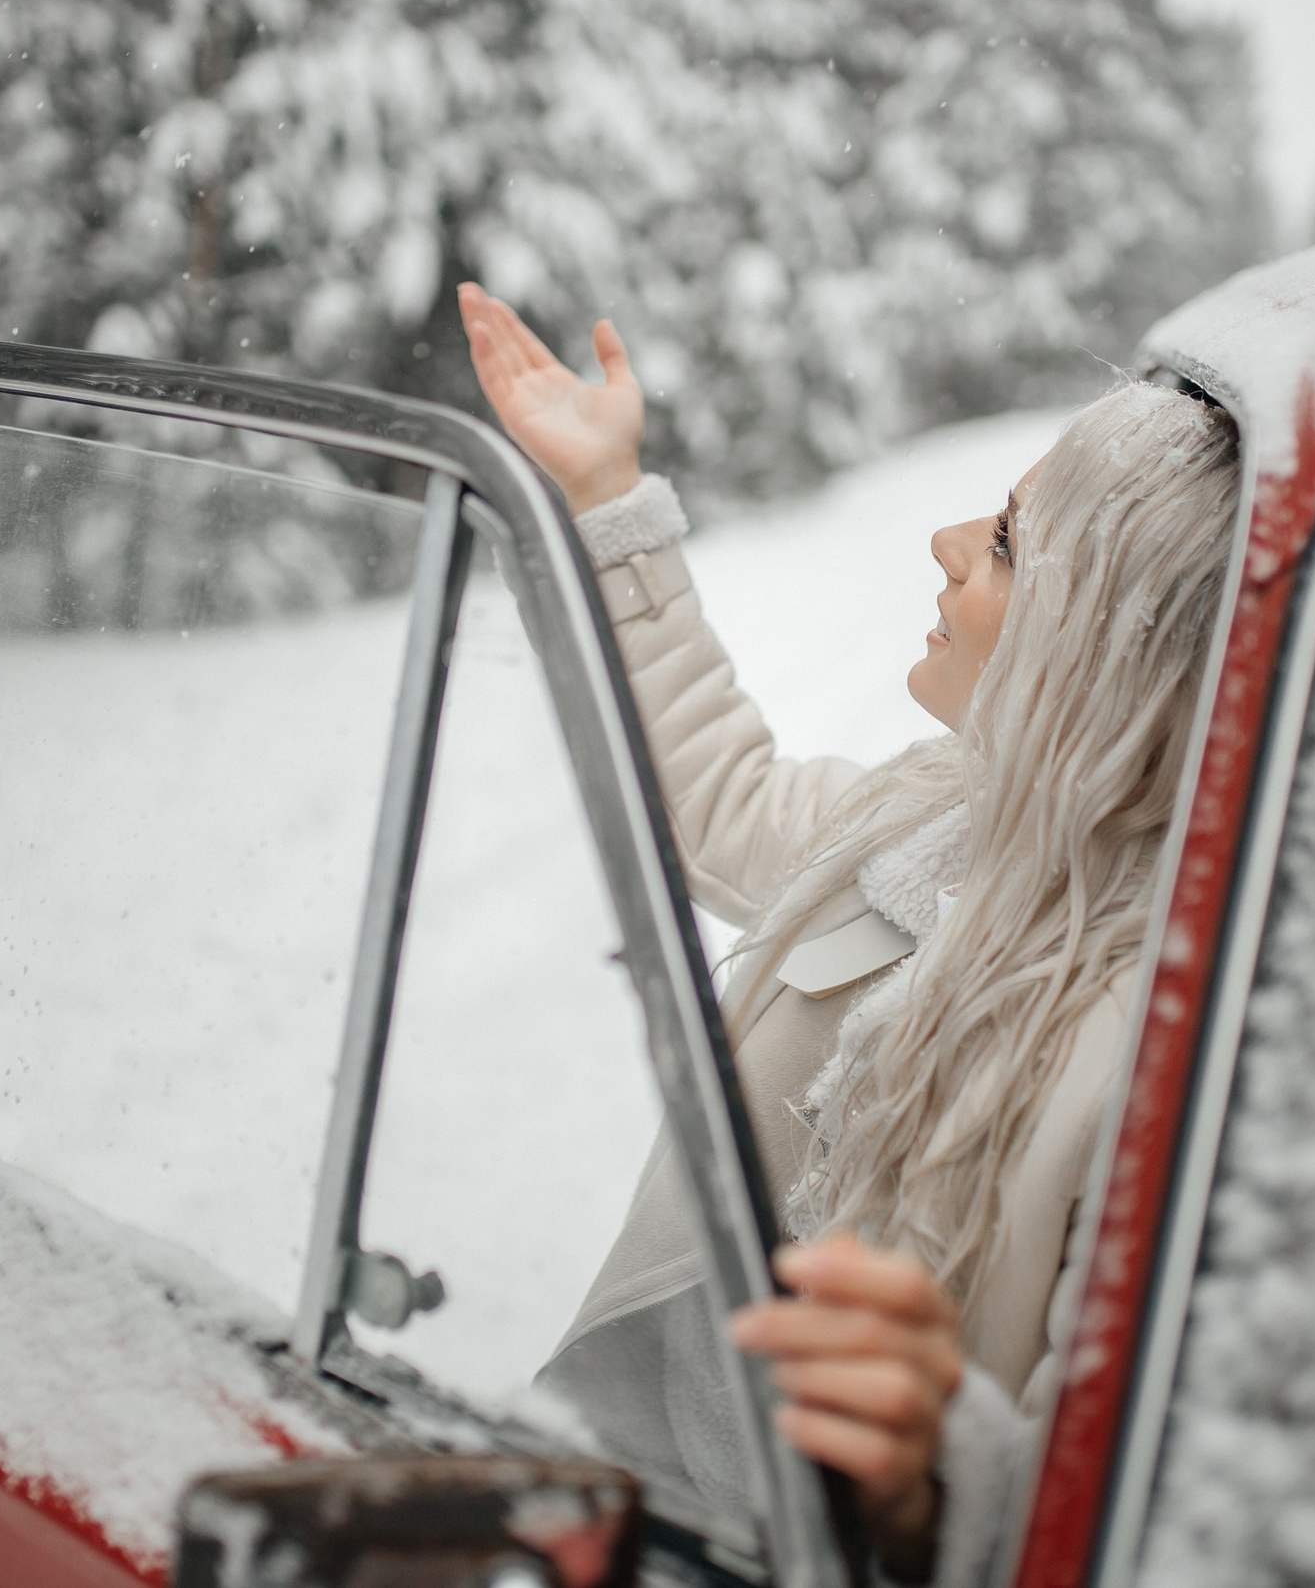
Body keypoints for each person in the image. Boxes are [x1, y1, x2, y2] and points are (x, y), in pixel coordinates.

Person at [457, 284, 1238, 1586]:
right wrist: (606, 497)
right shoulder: (933, 825)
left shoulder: (1146, 1064)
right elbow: (719, 793)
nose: (943, 542)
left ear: (1099, 656)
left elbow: (1093, 1511)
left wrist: (938, 1492)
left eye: (1002, 545)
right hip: (644, 1509)